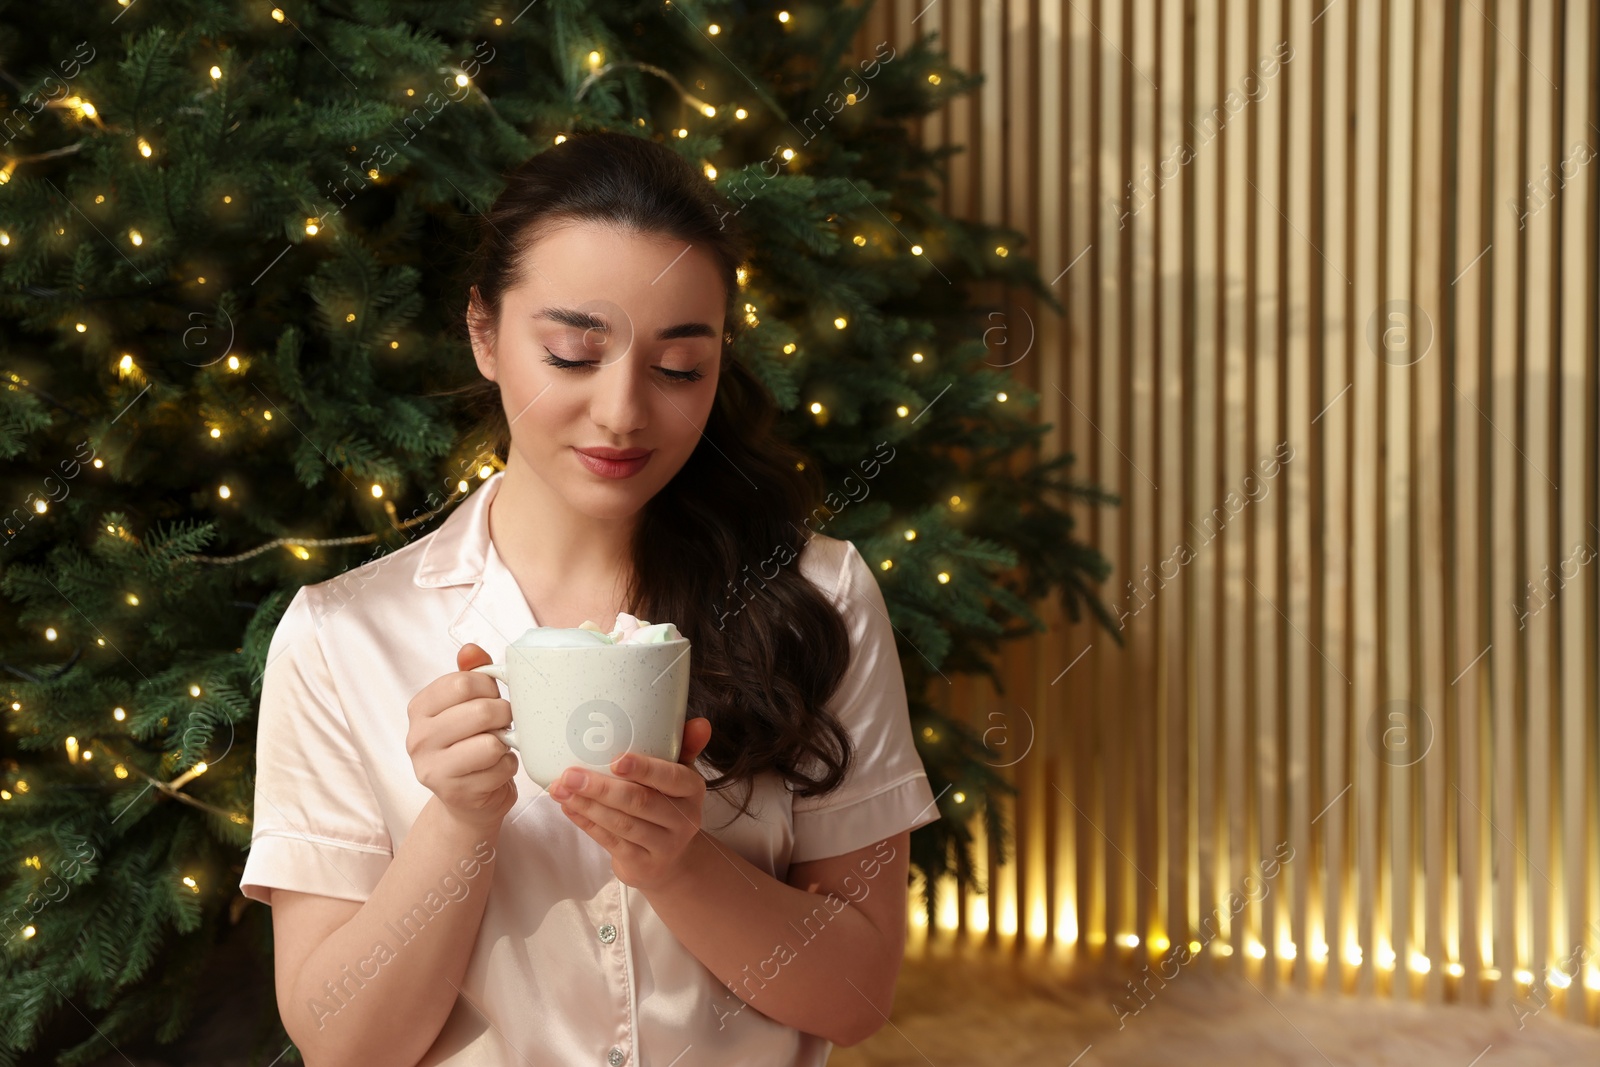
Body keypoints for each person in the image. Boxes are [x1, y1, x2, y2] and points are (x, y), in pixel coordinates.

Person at [238, 130, 941, 1067]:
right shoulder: (343, 637)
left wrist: (681, 864)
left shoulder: (817, 595)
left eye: (681, 367)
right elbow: (344, 1046)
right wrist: (456, 823)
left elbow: (856, 995)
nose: (623, 412)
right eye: (574, 352)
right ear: (483, 332)